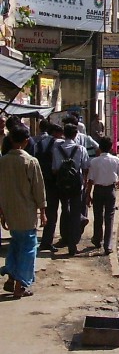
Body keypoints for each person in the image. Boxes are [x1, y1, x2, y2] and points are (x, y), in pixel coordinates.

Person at [0, 125, 46, 298]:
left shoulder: (3, 161)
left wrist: (2, 211)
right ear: (26, 141)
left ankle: (11, 278)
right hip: (26, 212)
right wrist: (43, 211)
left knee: (16, 244)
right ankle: (20, 285)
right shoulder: (30, 162)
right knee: (28, 248)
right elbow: (38, 189)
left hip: (10, 211)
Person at [52, 123, 89, 256]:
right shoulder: (80, 149)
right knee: (75, 212)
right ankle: (72, 245)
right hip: (76, 186)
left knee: (64, 210)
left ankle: (65, 237)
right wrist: (83, 183)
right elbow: (85, 167)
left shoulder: (57, 149)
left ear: (64, 134)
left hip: (62, 185)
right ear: (75, 135)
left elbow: (55, 169)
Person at [85, 137, 119, 255]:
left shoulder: (94, 161)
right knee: (109, 218)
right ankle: (108, 245)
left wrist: (88, 195)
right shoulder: (115, 160)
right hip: (110, 190)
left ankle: (97, 239)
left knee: (98, 216)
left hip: (98, 190)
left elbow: (90, 180)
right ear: (110, 147)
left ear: (99, 147)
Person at [37, 123, 63, 253]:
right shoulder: (58, 144)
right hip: (53, 181)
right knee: (52, 212)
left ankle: (45, 240)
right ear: (56, 133)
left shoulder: (39, 143)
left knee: (45, 209)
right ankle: (47, 241)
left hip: (40, 179)